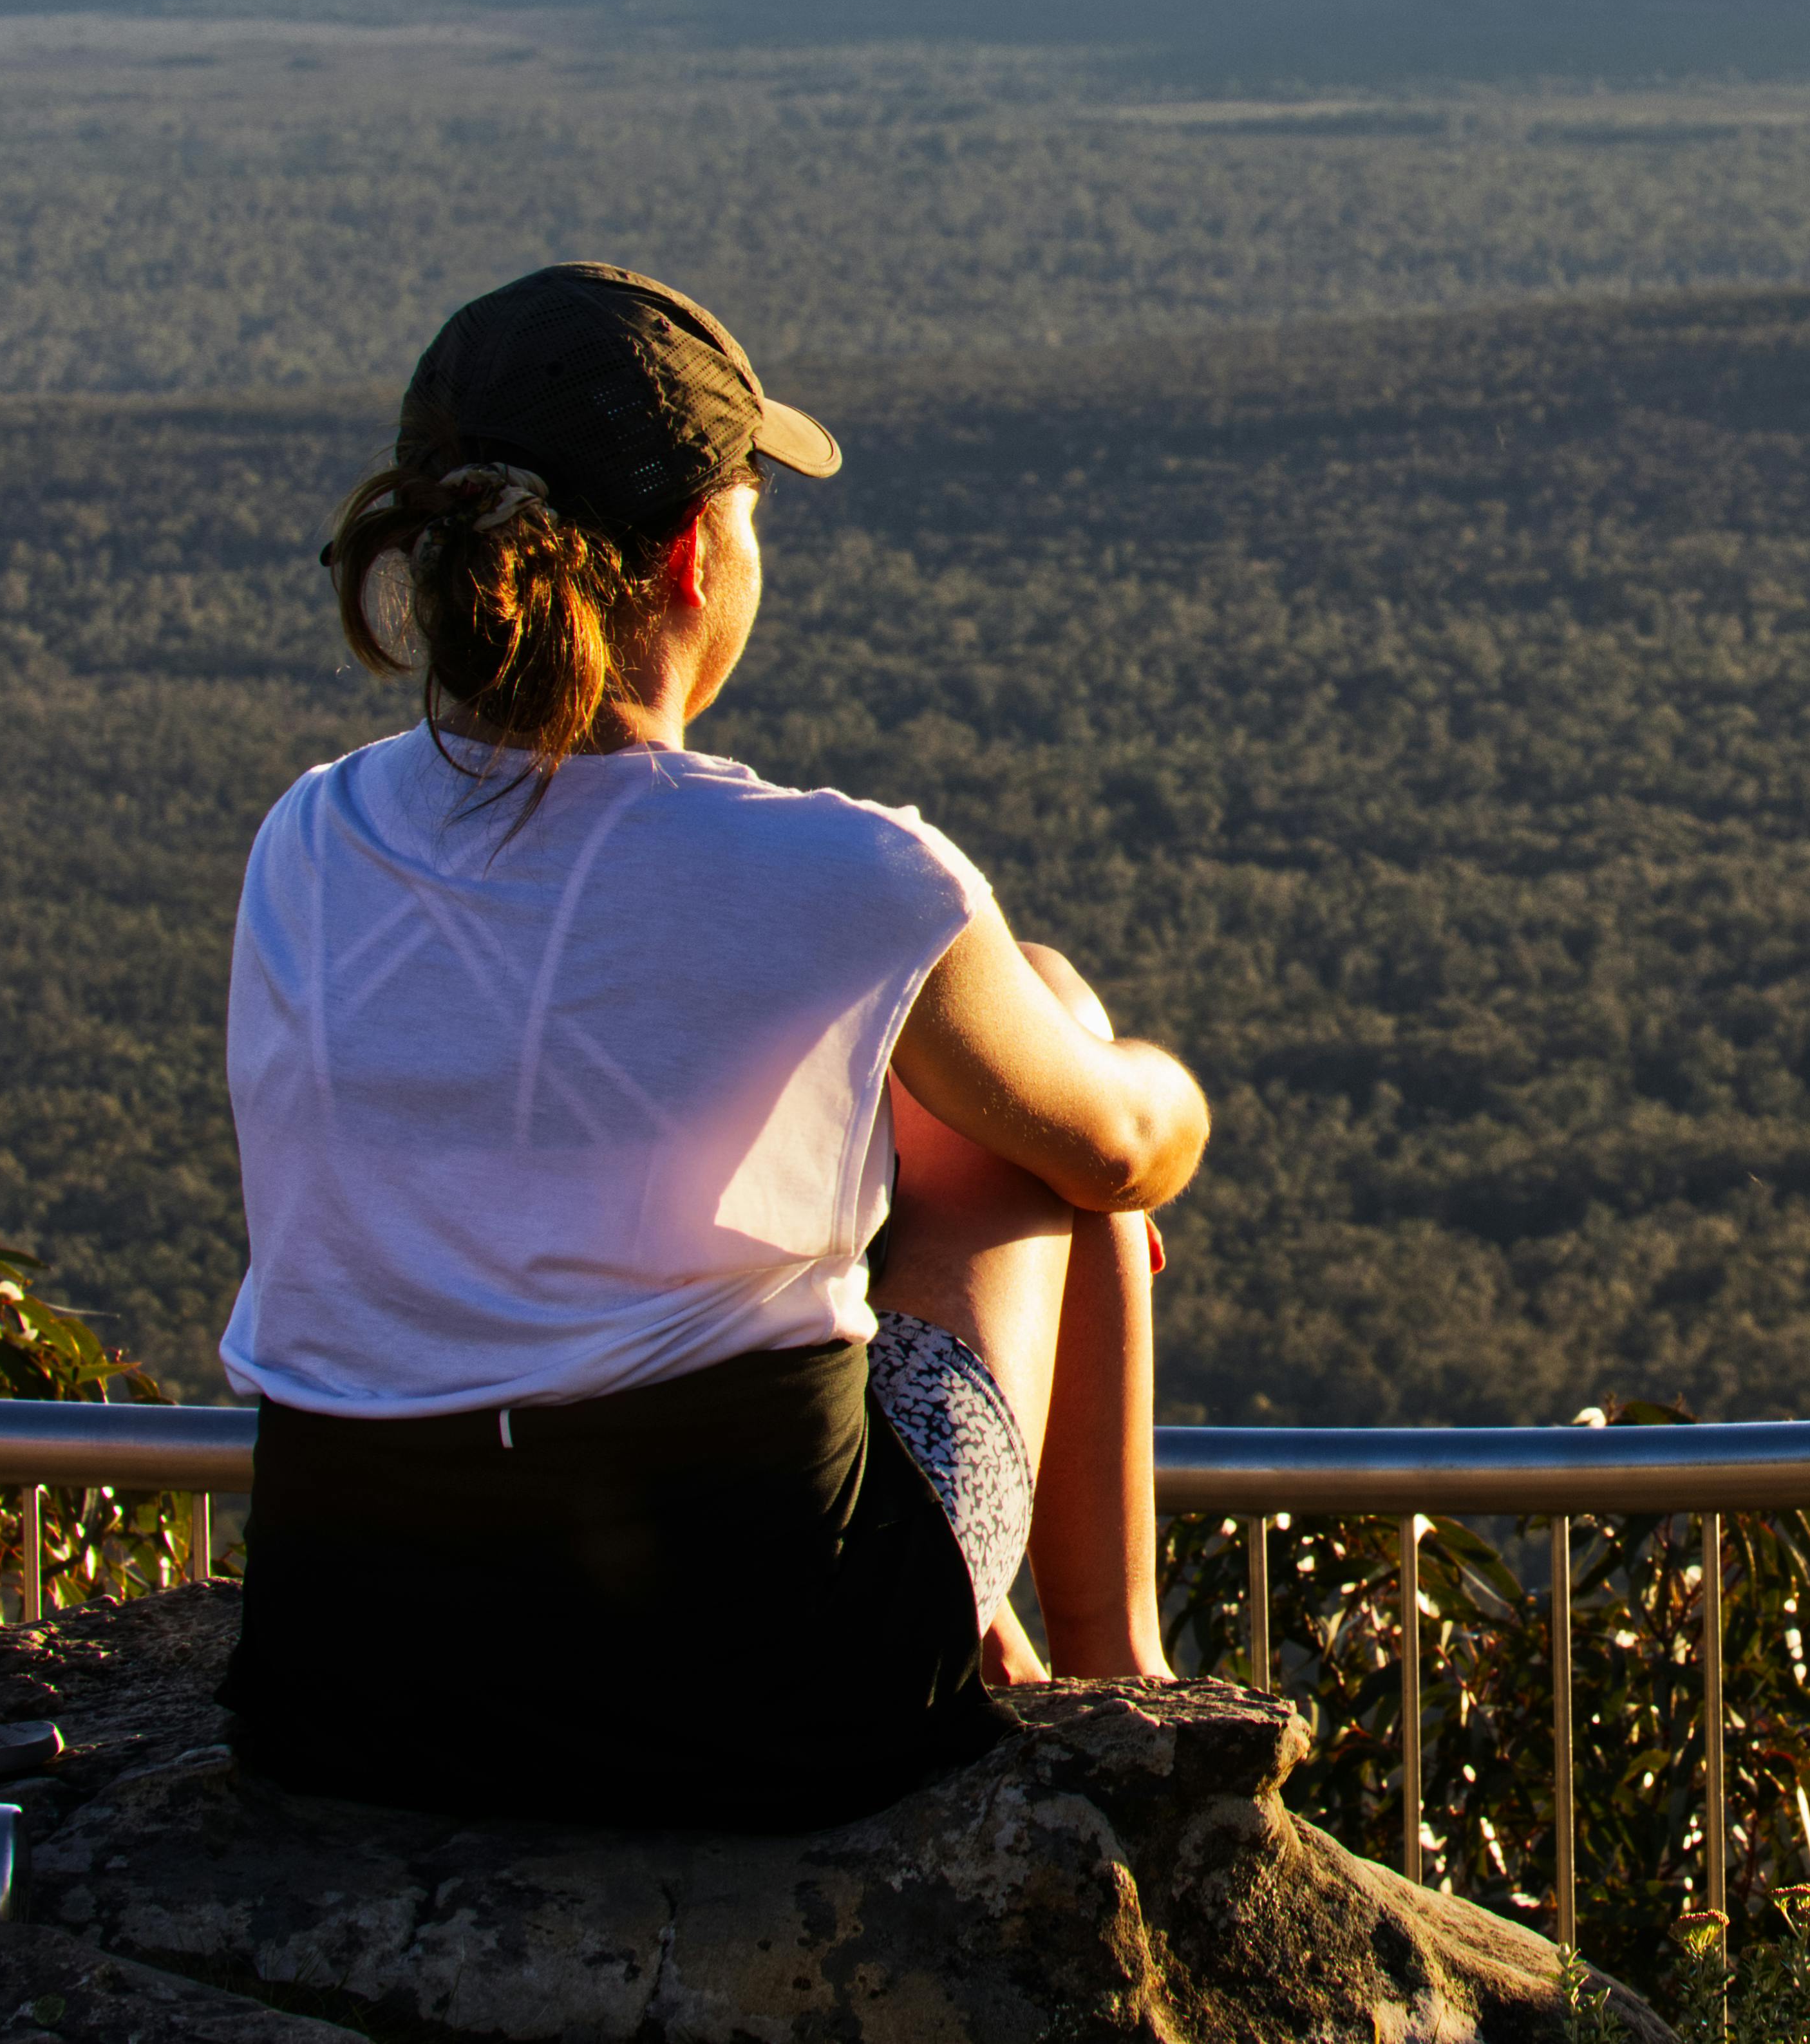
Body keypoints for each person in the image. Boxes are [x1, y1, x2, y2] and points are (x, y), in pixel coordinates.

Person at [211, 263, 1208, 1828]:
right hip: (772, 1686)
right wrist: (1162, 1081)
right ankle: (1117, 1680)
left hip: (350, 1678)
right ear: (693, 549)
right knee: (1050, 1050)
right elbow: (1114, 1150)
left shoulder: (308, 838)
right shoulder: (852, 880)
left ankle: (1056, 1651)